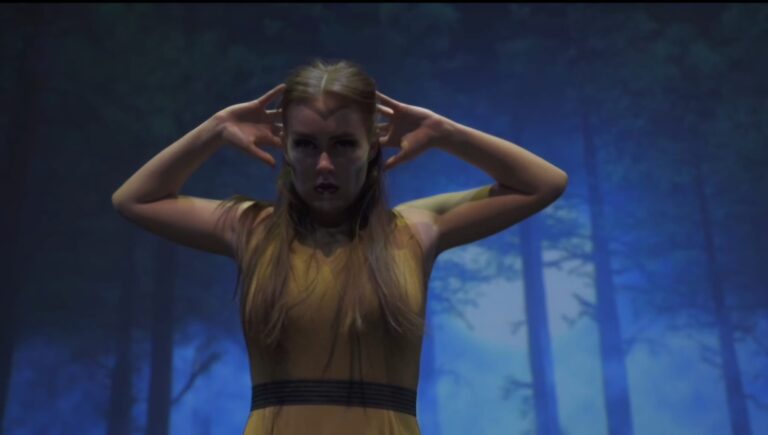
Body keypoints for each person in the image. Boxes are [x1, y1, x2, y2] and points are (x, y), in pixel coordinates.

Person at [111, 59, 568, 435]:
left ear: (373, 147)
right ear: (285, 148)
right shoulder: (251, 230)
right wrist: (215, 128)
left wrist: (443, 130)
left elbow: (543, 183)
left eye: (344, 144)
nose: (325, 164)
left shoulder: (414, 231)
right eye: (307, 145)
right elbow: (134, 200)